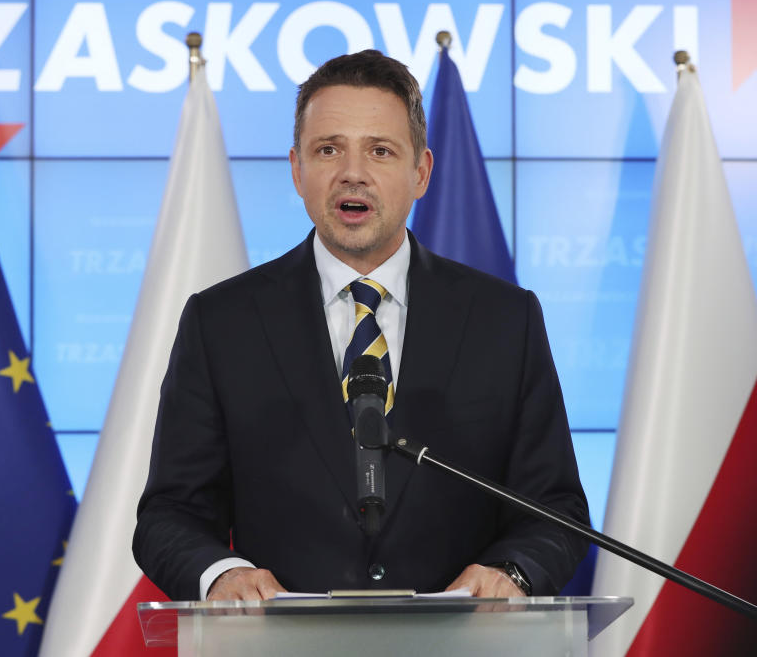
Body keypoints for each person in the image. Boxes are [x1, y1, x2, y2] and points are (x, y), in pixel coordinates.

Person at [133, 49, 589, 602]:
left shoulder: (503, 319)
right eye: (328, 150)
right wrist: (220, 573)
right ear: (297, 170)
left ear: (420, 172)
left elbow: (556, 510)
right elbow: (169, 513)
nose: (353, 173)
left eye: (380, 150)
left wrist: (513, 573)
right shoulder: (222, 322)